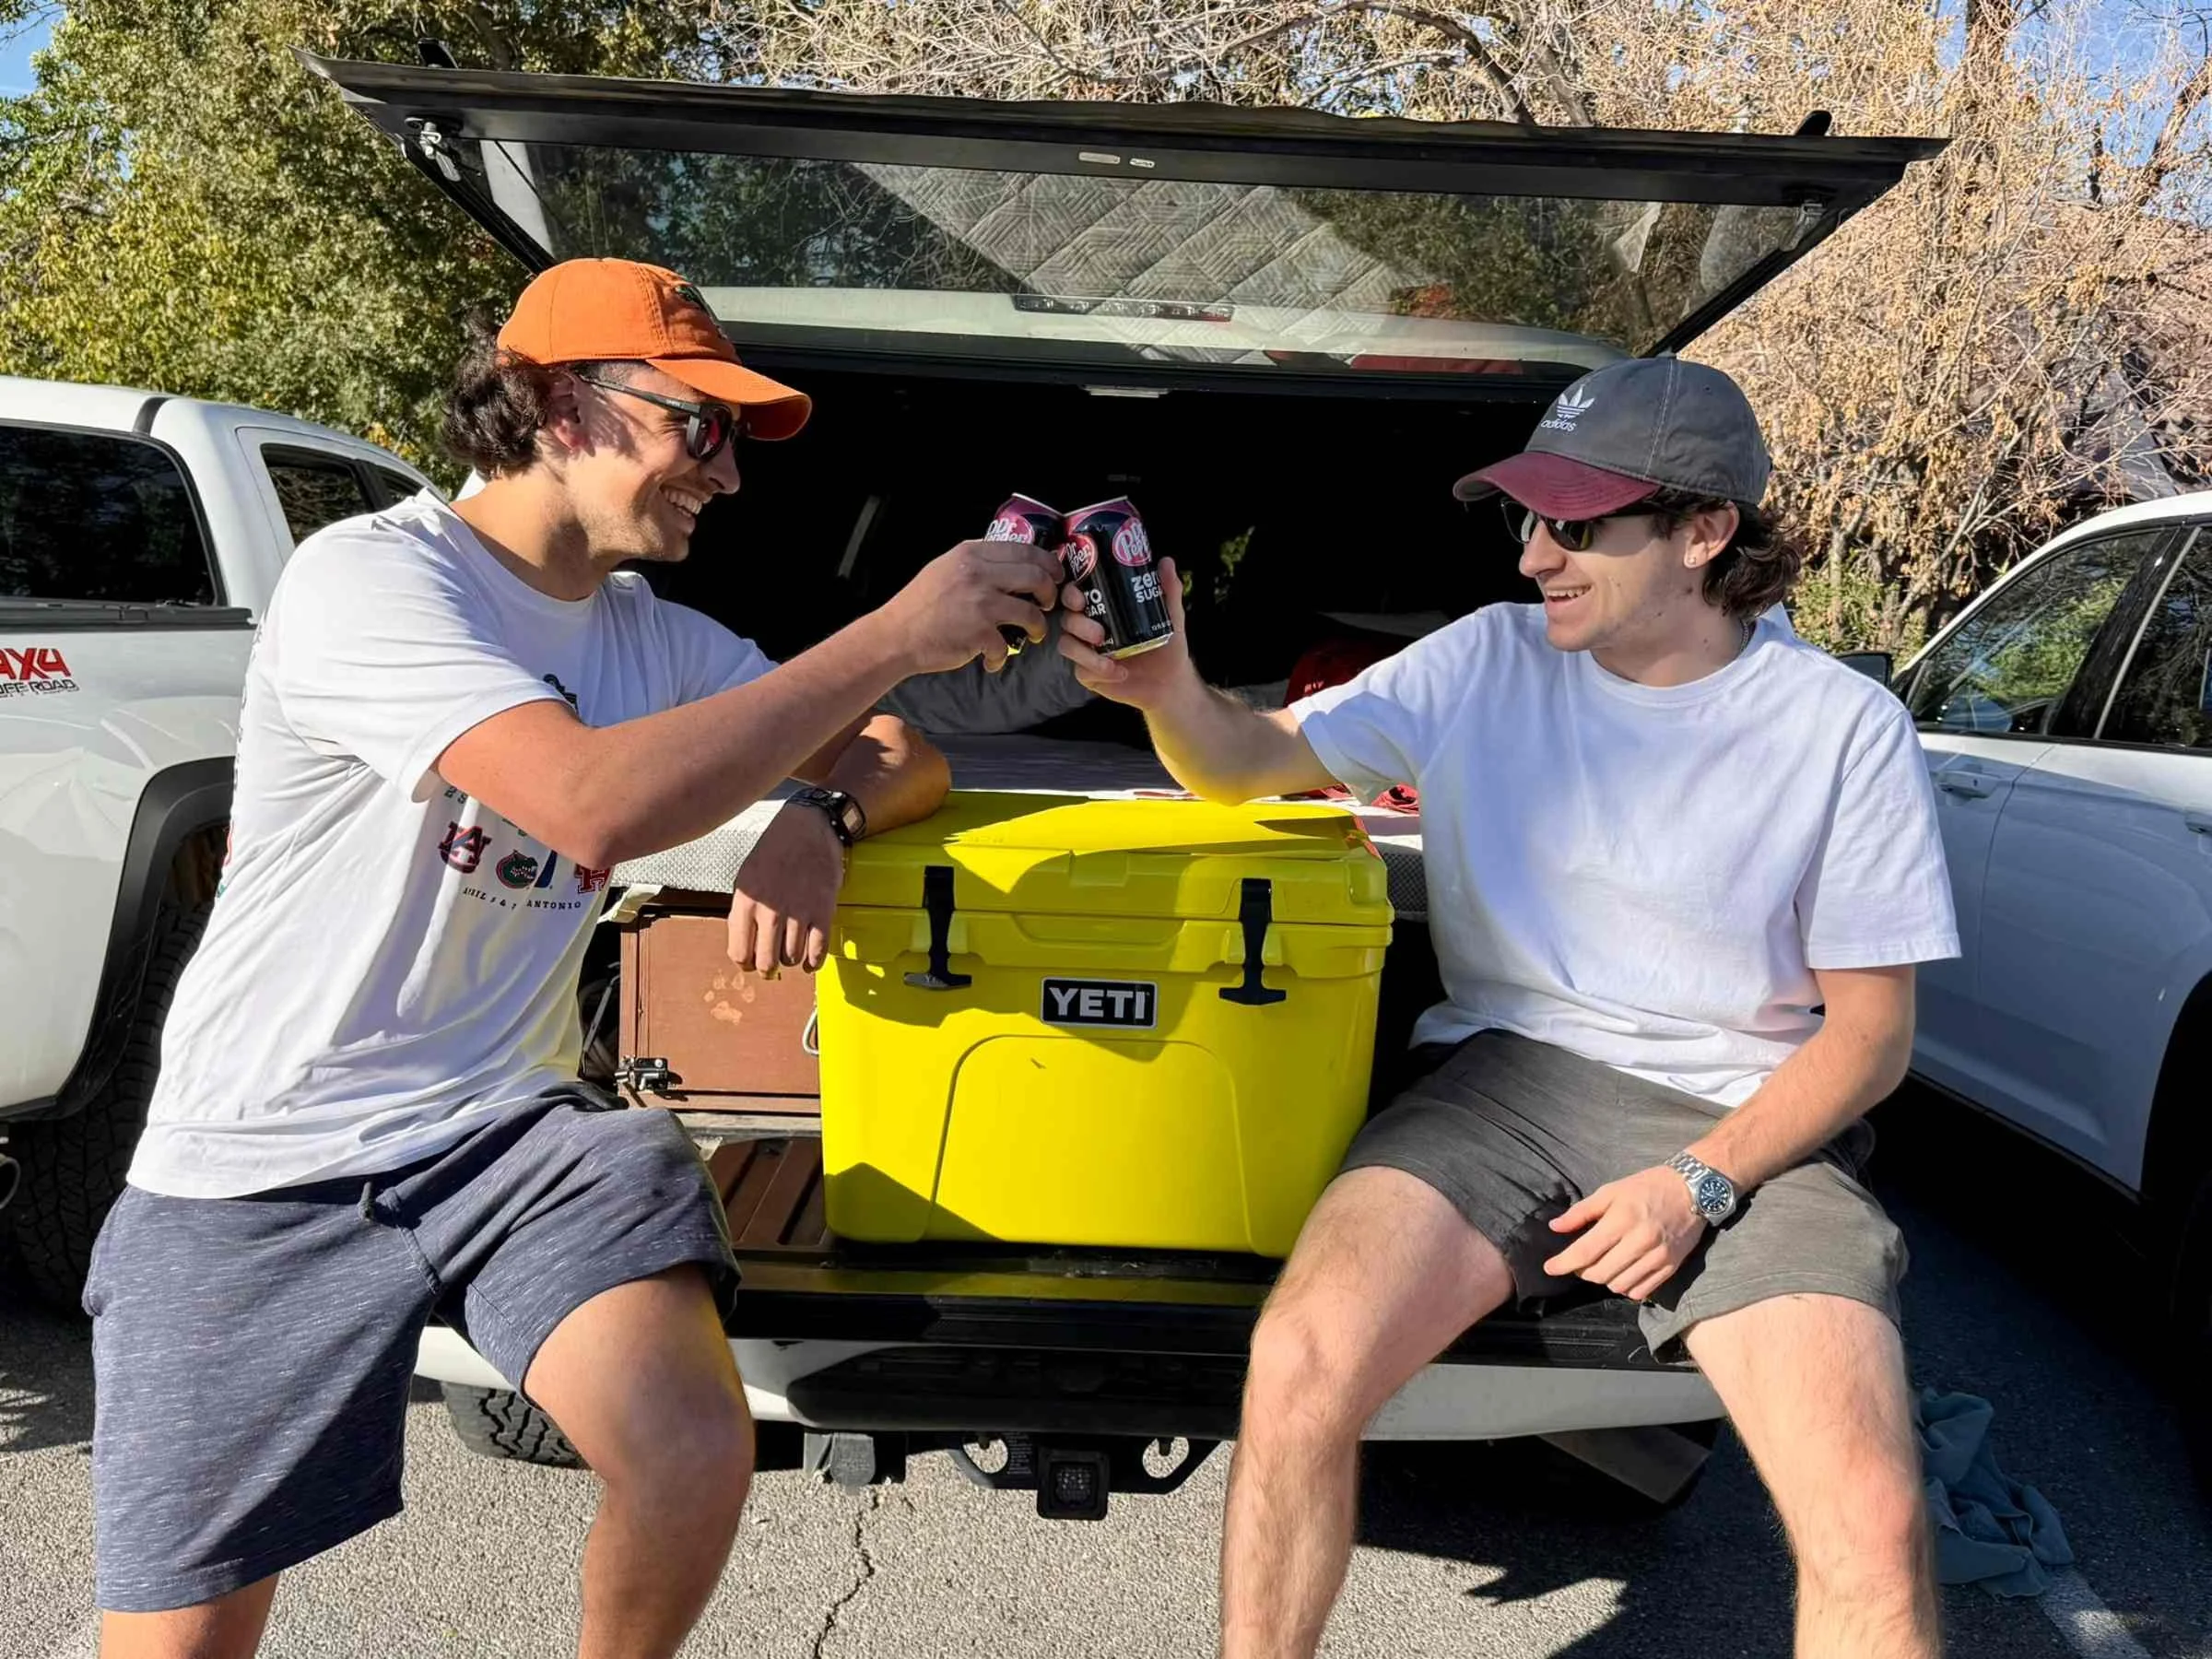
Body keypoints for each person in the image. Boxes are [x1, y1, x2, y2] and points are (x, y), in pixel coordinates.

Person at [87, 258, 1062, 1659]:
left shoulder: (648, 639)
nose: (721, 475)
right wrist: (893, 633)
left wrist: (821, 812)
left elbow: (904, 748)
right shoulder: (368, 579)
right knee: (180, 1642)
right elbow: (593, 804)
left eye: (731, 439)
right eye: (696, 427)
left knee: (688, 1452)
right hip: (263, 1160)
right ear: (557, 407)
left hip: (503, 1136)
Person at [1058, 355, 1958, 1659]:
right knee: (1298, 1368)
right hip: (1504, 1085)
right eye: (1525, 519)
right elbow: (1251, 763)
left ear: (1706, 533)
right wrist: (1166, 690)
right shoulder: (1482, 662)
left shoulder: (1841, 727)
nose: (1536, 557)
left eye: (1578, 526)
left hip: (1745, 1117)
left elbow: (1872, 1037)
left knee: (1871, 1520)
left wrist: (1698, 1185)